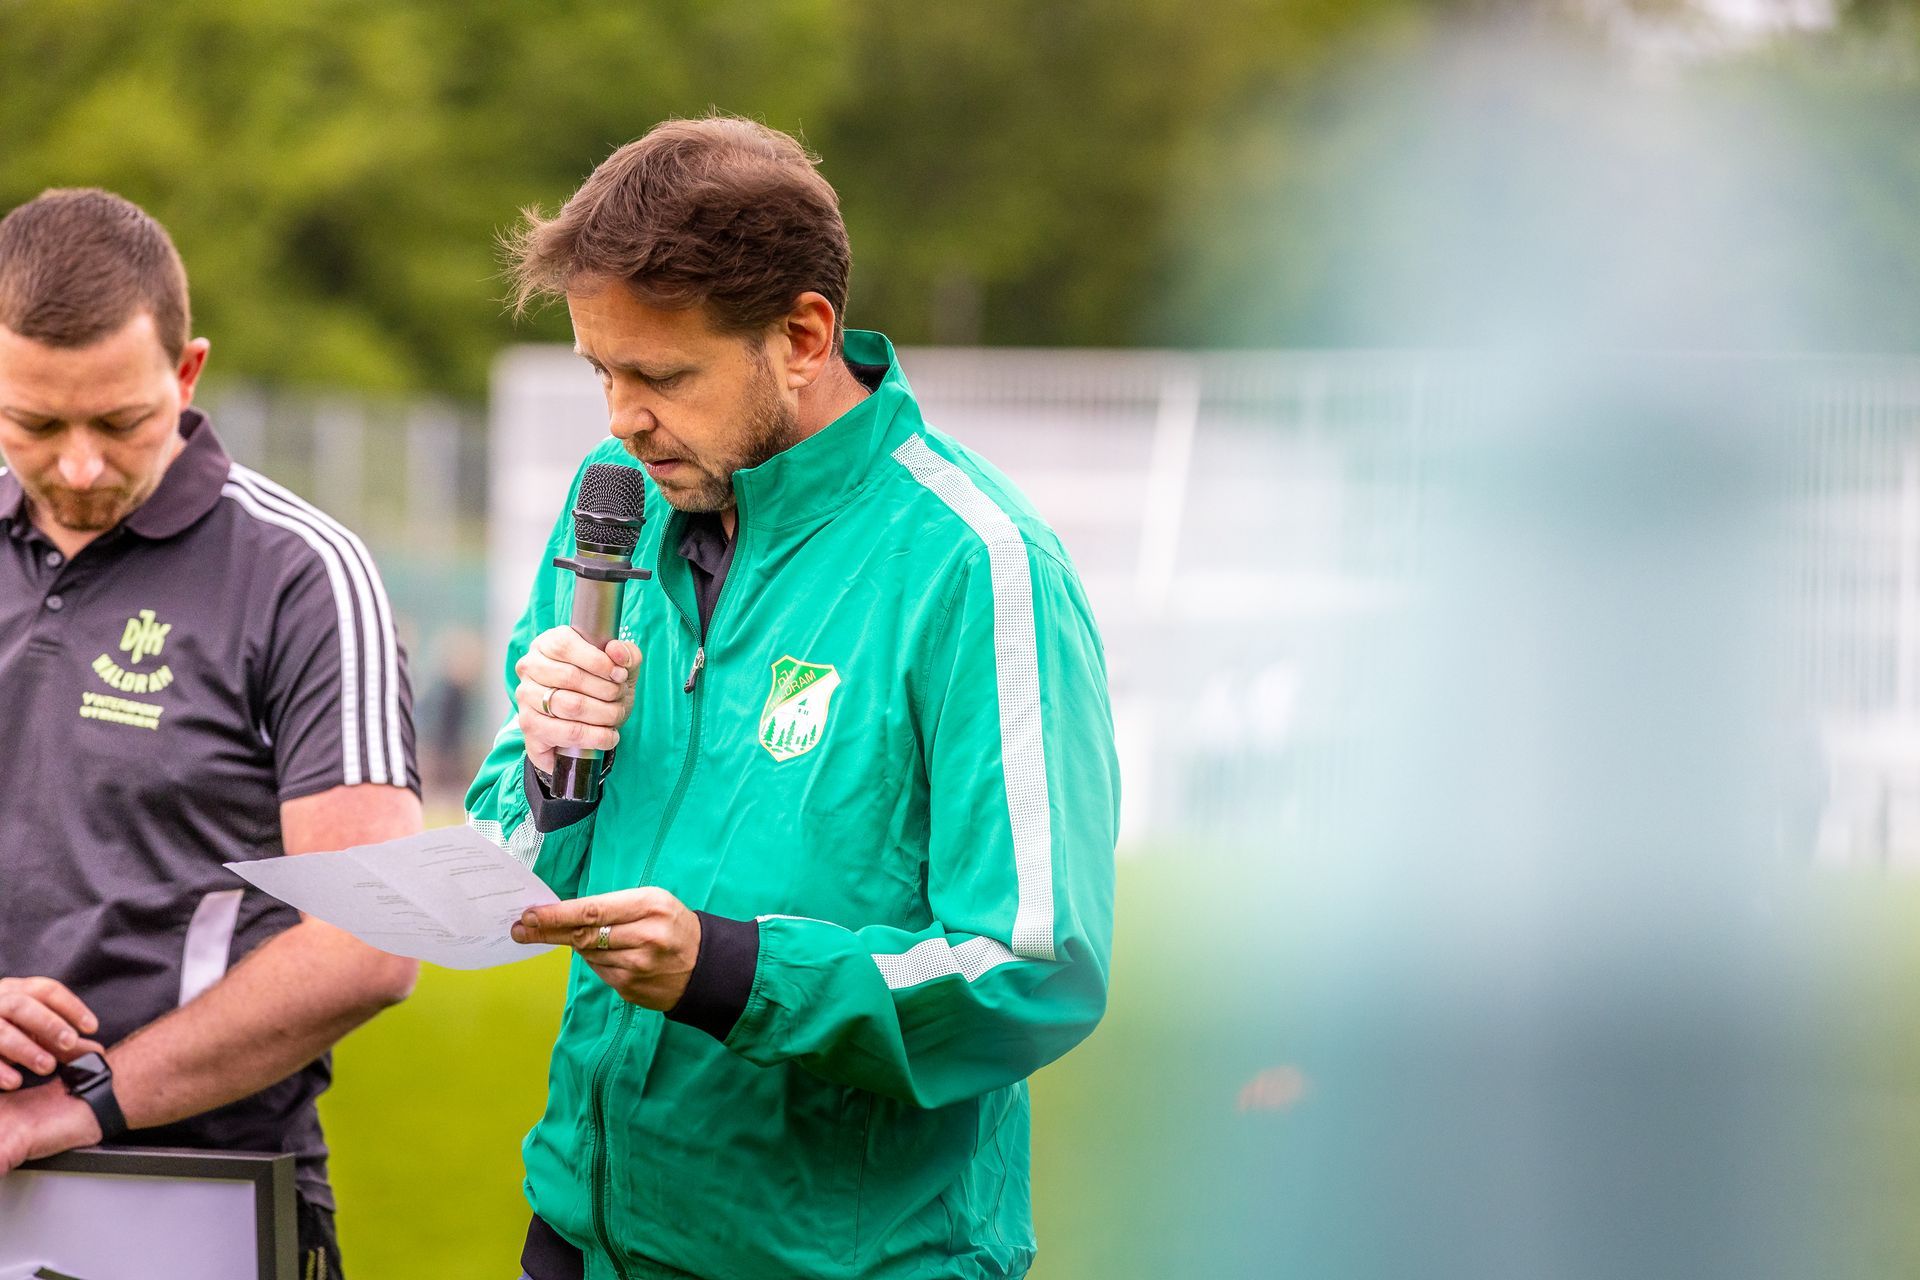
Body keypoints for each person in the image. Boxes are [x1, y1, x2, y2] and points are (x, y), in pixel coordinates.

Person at [468, 115, 1119, 1280]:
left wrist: (731, 970)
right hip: (577, 1235)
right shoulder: (614, 495)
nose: (620, 417)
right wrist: (552, 776)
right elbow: (507, 845)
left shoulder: (977, 565)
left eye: (661, 374)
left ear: (804, 335)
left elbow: (1037, 966)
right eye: (601, 370)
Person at [0, 188, 421, 1275]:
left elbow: (372, 939)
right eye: (35, 425)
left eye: (119, 423)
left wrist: (83, 1101)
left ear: (186, 375)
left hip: (194, 1191)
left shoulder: (302, 575)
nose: (79, 466)